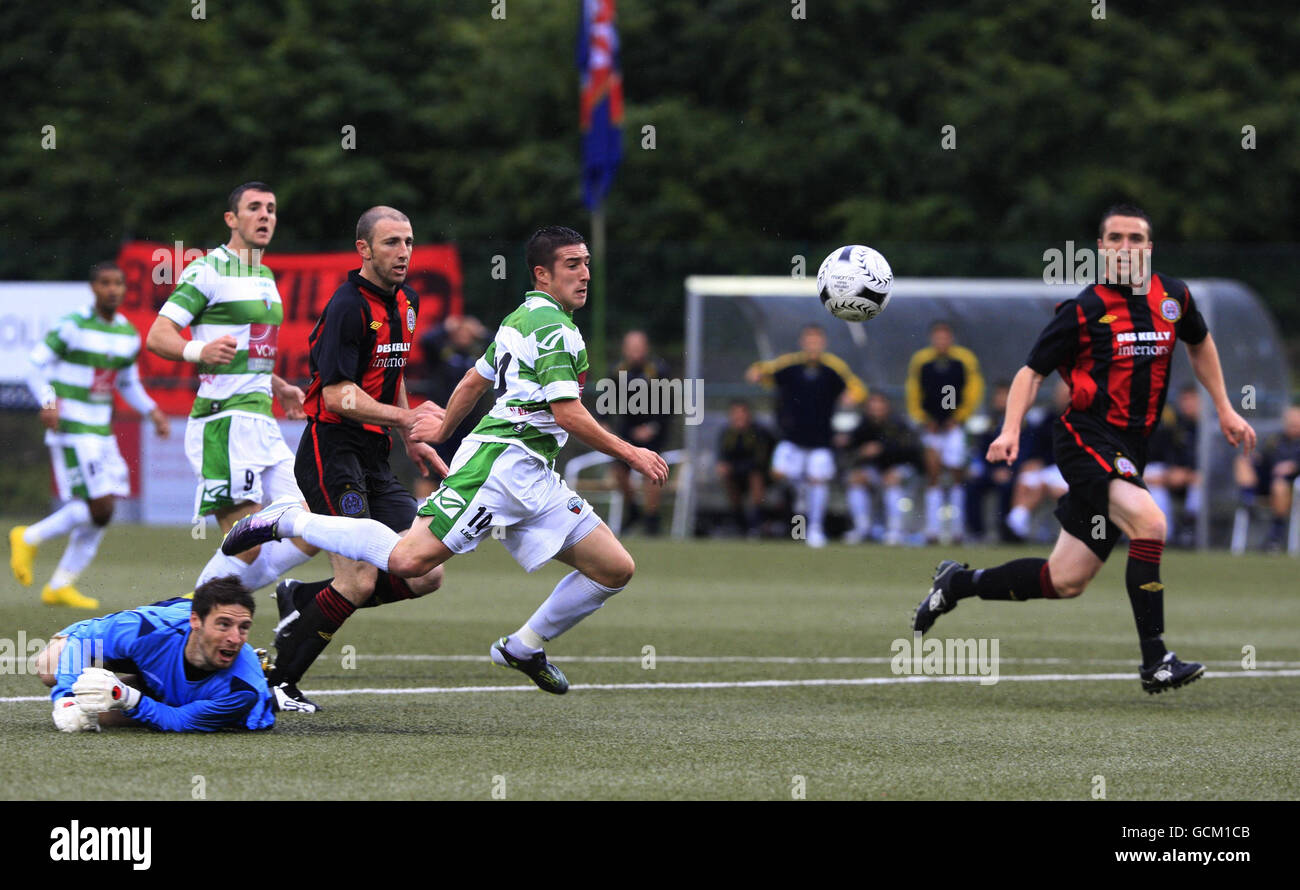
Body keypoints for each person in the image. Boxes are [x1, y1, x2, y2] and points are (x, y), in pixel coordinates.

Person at [223, 226, 669, 695]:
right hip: (498, 471)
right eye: (572, 265)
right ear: (542, 274)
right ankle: (290, 520)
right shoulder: (553, 329)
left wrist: (440, 430)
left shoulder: (523, 319)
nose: (584, 275)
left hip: (535, 474)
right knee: (409, 562)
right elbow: (568, 414)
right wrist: (630, 451)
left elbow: (477, 379)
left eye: (586, 264)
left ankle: (523, 646)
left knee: (615, 568)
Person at [912, 204, 1256, 695]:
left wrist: (1224, 407)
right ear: (1102, 248)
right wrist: (1009, 431)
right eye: (1115, 238)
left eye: (1136, 238)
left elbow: (1199, 343)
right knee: (1152, 523)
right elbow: (1031, 372)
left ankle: (958, 584)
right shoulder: (1084, 309)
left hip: (1129, 451)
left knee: (1064, 581)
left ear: (1149, 248)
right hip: (1085, 438)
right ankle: (1156, 661)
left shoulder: (1174, 298)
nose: (1126, 247)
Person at [265, 206, 450, 712]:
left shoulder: (408, 301)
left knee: (424, 570)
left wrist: (409, 436)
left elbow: (393, 375)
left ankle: (302, 599)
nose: (404, 252)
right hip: (331, 453)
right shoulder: (347, 306)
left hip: (375, 457)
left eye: (409, 241)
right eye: (391, 242)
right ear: (364, 249)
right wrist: (405, 419)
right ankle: (278, 682)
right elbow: (335, 397)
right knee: (359, 578)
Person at [145, 182, 318, 594]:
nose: (265, 216)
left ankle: (213, 606)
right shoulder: (207, 269)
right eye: (254, 208)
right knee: (248, 542)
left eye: (271, 209)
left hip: (261, 419)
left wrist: (277, 384)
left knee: (312, 527)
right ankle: (189, 622)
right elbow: (158, 334)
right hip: (222, 421)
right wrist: (197, 348)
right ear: (232, 219)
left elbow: (249, 347)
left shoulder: (264, 274)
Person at [10, 262, 169, 609]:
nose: (112, 289)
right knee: (101, 506)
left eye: (118, 284)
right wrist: (49, 402)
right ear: (93, 287)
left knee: (103, 510)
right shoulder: (72, 327)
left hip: (101, 429)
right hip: (72, 425)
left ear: (124, 290)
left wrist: (152, 411)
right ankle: (29, 537)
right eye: (105, 283)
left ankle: (59, 585)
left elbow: (127, 383)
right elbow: (34, 367)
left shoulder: (127, 334)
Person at [33, 576, 275, 733]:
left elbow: (179, 721)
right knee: (49, 666)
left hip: (189, 703)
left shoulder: (243, 689)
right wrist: (65, 699)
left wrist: (127, 697)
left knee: (95, 710)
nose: (235, 638)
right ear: (195, 621)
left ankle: (140, 689)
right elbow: (83, 641)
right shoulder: (148, 628)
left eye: (244, 628)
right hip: (156, 654)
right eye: (223, 625)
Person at [745, 325, 867, 548]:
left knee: (818, 480)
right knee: (780, 473)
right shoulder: (790, 364)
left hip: (820, 439)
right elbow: (763, 371)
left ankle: (815, 529)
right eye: (809, 341)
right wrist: (756, 373)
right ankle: (800, 489)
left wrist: (853, 396)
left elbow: (857, 388)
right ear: (803, 342)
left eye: (817, 341)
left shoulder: (833, 367)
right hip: (791, 437)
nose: (813, 345)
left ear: (823, 343)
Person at [905, 320, 985, 544]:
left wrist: (958, 417)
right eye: (937, 337)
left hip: (954, 428)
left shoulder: (964, 359)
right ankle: (932, 530)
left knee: (957, 476)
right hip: (931, 427)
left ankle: (958, 531)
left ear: (951, 338)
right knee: (933, 474)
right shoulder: (922, 360)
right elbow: (914, 391)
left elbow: (973, 391)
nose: (941, 341)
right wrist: (923, 418)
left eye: (945, 336)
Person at [413, 314, 490, 496]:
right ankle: (421, 511)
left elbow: (502, 347)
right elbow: (425, 341)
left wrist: (482, 332)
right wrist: (446, 327)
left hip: (471, 426)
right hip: (440, 420)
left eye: (467, 332)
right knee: (431, 472)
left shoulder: (480, 356)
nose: (463, 336)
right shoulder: (442, 352)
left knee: (466, 473)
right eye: (460, 332)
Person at [606, 330, 674, 535]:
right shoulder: (617, 371)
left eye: (639, 347)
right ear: (625, 350)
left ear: (646, 349)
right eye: (631, 348)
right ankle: (633, 510)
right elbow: (606, 403)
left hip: (653, 431)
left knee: (651, 472)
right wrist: (603, 425)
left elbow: (668, 405)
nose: (635, 352)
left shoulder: (658, 370)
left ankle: (651, 519)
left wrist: (651, 427)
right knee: (619, 472)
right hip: (627, 431)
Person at [837, 391, 921, 545]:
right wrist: (857, 451)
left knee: (892, 483)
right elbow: (852, 453)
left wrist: (883, 449)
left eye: (879, 407)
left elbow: (911, 452)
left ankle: (895, 531)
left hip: (903, 469)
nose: (875, 411)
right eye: (872, 407)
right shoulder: (863, 425)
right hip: (877, 471)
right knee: (855, 480)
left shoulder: (899, 424)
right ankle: (862, 529)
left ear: (886, 407)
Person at [1005, 379, 1073, 541]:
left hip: (1072, 471)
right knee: (1025, 480)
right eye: (1060, 394)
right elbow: (1035, 447)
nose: (1063, 398)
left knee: (1040, 485)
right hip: (1050, 469)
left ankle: (1014, 524)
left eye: (1067, 395)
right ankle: (1016, 526)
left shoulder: (1084, 420)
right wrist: (1031, 462)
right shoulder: (1048, 418)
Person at [962, 382, 1023, 543]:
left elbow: (1026, 452)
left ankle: (1005, 532)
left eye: (1005, 395)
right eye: (998, 395)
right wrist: (987, 470)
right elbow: (981, 451)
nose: (1000, 399)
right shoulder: (989, 423)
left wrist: (1010, 470)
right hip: (991, 470)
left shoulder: (1023, 422)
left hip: (1013, 471)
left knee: (1007, 486)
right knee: (972, 484)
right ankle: (976, 532)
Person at [1236, 404, 1300, 551]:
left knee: (1279, 485)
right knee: (1242, 461)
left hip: (1289, 487)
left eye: (1297, 424)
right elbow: (1263, 457)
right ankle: (1249, 501)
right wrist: (1255, 458)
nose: (1293, 427)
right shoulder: (1275, 440)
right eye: (1291, 423)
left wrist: (1294, 466)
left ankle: (1276, 533)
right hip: (1266, 480)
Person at [1145, 384, 1203, 547]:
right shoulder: (1176, 426)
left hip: (1206, 480)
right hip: (1178, 477)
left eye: (1192, 400)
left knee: (1199, 483)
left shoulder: (1213, 426)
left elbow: (1218, 462)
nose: (1188, 404)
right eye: (1184, 400)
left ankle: (1189, 529)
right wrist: (1170, 473)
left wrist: (1190, 474)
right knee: (1155, 484)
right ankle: (1162, 536)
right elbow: (1169, 454)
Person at [715, 399, 775, 537]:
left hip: (763, 475)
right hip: (738, 475)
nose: (738, 417)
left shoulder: (759, 432)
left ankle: (756, 524)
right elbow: (722, 457)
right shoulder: (727, 433)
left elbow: (760, 461)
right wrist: (723, 466)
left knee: (755, 477)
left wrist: (733, 467)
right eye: (735, 413)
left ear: (748, 415)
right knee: (728, 479)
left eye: (742, 413)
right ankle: (739, 524)